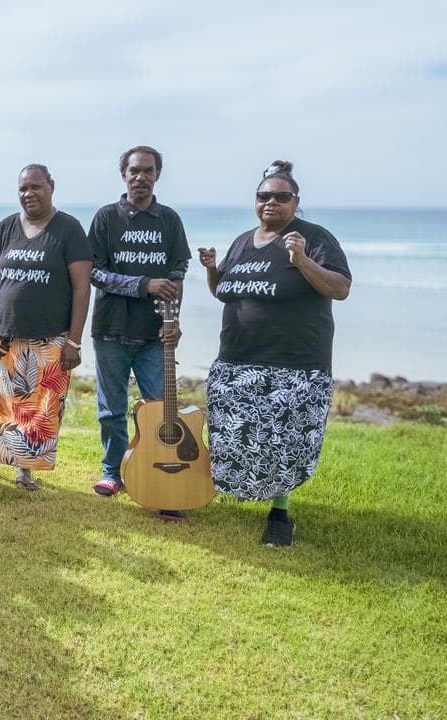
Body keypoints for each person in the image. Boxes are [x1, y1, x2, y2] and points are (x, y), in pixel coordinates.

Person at [198, 160, 351, 546]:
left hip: (293, 364)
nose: (271, 203)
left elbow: (340, 288)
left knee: (284, 443)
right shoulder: (243, 242)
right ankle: (230, 491)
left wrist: (301, 260)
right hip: (236, 360)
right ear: (255, 200)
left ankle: (279, 514)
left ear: (295, 202)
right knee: (234, 436)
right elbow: (225, 292)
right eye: (264, 196)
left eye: (281, 197)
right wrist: (214, 270)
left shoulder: (314, 238)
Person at [0, 164, 93, 490]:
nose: (29, 194)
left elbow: (82, 288)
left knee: (35, 407)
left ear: (51, 186)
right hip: (1, 333)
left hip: (48, 336)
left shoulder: (68, 229)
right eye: (23, 188)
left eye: (36, 187)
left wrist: (74, 342)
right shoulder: (7, 227)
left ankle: (25, 469)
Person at [87, 146, 189, 520]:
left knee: (162, 412)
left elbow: (178, 273)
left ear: (157, 175)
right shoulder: (106, 218)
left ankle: (161, 477)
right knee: (111, 411)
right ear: (123, 174)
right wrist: (143, 284)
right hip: (110, 330)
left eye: (147, 171)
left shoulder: (169, 220)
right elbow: (94, 272)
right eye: (134, 171)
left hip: (153, 335)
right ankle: (113, 474)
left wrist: (173, 320)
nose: (140, 177)